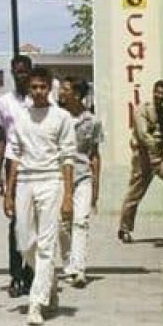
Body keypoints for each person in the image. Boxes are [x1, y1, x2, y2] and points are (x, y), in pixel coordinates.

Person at [3, 66, 75, 326]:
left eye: (43, 87)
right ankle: (50, 282)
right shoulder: (20, 117)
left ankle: (36, 302)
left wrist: (68, 195)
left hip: (51, 181)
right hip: (25, 181)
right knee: (24, 242)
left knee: (46, 244)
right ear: (29, 89)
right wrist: (9, 193)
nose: (39, 92)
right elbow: (14, 155)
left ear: (50, 88)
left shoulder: (62, 117)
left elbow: (68, 158)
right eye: (34, 87)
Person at [118, 79, 163, 243]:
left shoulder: (162, 112)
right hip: (144, 158)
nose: (160, 96)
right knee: (135, 194)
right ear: (153, 91)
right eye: (158, 92)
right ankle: (124, 229)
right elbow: (143, 135)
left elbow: (161, 134)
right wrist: (158, 147)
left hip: (160, 158)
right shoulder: (143, 109)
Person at [0, 53, 35, 297]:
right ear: (12, 72)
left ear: (30, 71)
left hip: (37, 163)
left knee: (34, 222)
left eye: (25, 71)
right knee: (16, 222)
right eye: (17, 71)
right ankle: (16, 275)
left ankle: (30, 274)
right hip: (12, 165)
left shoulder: (41, 97)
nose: (22, 75)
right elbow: (0, 139)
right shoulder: (3, 103)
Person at [58, 77, 102, 286]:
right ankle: (68, 264)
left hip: (83, 176)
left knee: (81, 221)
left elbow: (94, 154)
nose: (61, 93)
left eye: (65, 89)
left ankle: (79, 268)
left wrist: (96, 185)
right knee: (62, 223)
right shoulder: (57, 118)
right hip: (59, 176)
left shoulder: (92, 121)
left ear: (76, 94)